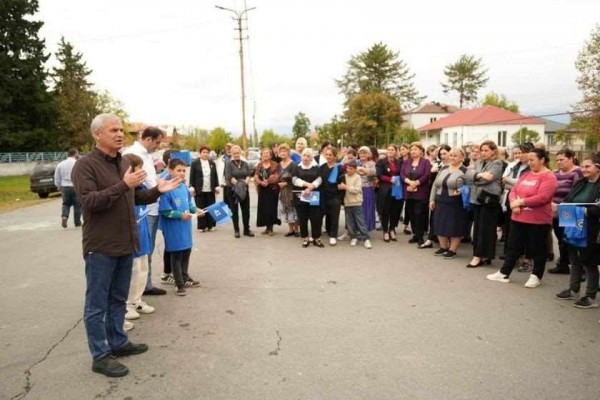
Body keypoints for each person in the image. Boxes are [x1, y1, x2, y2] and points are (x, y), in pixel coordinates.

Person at [72, 113, 181, 378]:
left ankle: (118, 342)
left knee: (119, 298)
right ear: (97, 134)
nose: (120, 134)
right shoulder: (85, 166)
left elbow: (135, 197)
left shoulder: (123, 163)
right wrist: (123, 185)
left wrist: (158, 190)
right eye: (113, 130)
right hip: (101, 246)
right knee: (97, 304)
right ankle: (100, 355)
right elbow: (90, 202)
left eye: (121, 130)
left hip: (125, 242)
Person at [487, 148, 558, 288]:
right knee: (513, 247)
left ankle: (536, 276)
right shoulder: (526, 175)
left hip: (537, 220)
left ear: (542, 160)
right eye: (529, 160)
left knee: (537, 249)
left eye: (533, 160)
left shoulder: (549, 177)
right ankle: (504, 273)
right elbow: (514, 190)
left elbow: (543, 197)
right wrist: (514, 203)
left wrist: (522, 202)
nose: (530, 163)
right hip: (518, 217)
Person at [122, 126, 166, 296]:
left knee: (148, 248)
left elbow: (150, 180)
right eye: (157, 142)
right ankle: (136, 292)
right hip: (142, 209)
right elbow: (139, 184)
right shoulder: (133, 154)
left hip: (152, 206)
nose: (158, 146)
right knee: (140, 253)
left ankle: (145, 285)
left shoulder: (148, 155)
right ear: (148, 139)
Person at [554, 154, 600, 308]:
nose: (583, 169)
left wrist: (586, 211)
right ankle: (573, 290)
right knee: (574, 259)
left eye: (588, 166)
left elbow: (596, 210)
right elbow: (568, 199)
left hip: (592, 229)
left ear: (598, 167)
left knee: (589, 262)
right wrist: (561, 207)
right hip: (573, 225)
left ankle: (590, 296)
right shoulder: (581, 182)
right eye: (583, 166)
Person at [158, 158, 202, 296]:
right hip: (173, 227)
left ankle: (185, 276)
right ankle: (179, 283)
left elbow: (189, 204)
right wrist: (180, 215)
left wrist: (196, 210)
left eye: (184, 170)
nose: (182, 173)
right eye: (178, 170)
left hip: (185, 227)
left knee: (186, 251)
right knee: (176, 254)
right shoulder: (166, 189)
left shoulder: (184, 187)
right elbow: (165, 211)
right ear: (170, 171)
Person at [121, 154, 155, 327]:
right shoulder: (126, 190)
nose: (142, 171)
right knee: (132, 272)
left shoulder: (140, 188)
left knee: (143, 269)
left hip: (143, 235)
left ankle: (137, 300)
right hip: (132, 238)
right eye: (139, 168)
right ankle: (127, 304)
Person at [464, 141, 504, 268]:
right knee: (478, 229)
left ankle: (481, 256)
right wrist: (479, 175)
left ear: (493, 151)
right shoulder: (479, 162)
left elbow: (488, 179)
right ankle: (479, 255)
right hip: (477, 199)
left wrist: (475, 177)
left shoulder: (497, 163)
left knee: (487, 229)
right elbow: (467, 176)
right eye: (482, 150)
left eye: (486, 150)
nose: (483, 153)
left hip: (489, 199)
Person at [429, 148, 469, 259]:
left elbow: (471, 186)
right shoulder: (444, 168)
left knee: (454, 226)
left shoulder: (465, 170)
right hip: (440, 200)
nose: (452, 157)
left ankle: (452, 250)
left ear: (462, 157)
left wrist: (462, 189)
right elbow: (435, 185)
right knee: (439, 223)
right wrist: (432, 200)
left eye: (455, 155)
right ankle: (443, 247)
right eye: (451, 155)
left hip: (455, 202)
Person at [549, 149, 583, 274]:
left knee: (570, 238)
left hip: (568, 209)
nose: (558, 162)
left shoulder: (577, 172)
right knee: (560, 238)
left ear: (571, 158)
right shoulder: (555, 173)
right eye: (557, 160)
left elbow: (576, 193)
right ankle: (563, 264)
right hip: (554, 209)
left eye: (562, 159)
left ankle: (579, 268)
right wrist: (551, 204)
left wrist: (560, 205)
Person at [401, 142, 432, 248]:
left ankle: (420, 236)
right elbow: (402, 174)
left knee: (419, 214)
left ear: (421, 151)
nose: (413, 151)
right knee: (411, 214)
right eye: (412, 149)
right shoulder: (406, 162)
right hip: (409, 191)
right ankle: (415, 234)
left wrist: (416, 183)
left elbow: (427, 175)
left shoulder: (426, 162)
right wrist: (409, 183)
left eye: (415, 149)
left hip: (421, 191)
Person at [292, 148, 324, 247]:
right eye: (304, 155)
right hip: (300, 196)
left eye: (308, 156)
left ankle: (316, 238)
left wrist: (311, 187)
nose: (306, 158)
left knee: (315, 218)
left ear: (311, 158)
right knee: (302, 218)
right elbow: (294, 180)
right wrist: (307, 185)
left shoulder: (316, 168)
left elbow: (320, 179)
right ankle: (305, 238)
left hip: (313, 195)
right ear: (301, 157)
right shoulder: (296, 168)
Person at [339, 161, 372, 249]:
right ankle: (353, 237)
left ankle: (366, 239)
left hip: (356, 202)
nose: (348, 170)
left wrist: (346, 187)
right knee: (350, 222)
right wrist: (339, 187)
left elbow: (357, 189)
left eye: (351, 169)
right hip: (347, 202)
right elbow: (340, 187)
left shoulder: (357, 177)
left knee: (360, 221)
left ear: (355, 169)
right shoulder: (343, 177)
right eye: (347, 168)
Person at [224, 145, 254, 238]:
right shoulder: (229, 164)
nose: (236, 155)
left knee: (246, 210)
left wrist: (245, 183)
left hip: (244, 189)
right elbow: (229, 177)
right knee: (234, 210)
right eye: (234, 153)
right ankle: (236, 230)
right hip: (233, 190)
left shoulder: (245, 163)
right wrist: (239, 185)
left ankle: (246, 229)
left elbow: (248, 174)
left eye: (238, 153)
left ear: (240, 153)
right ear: (231, 154)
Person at [376, 144, 403, 242]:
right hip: (386, 189)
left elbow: (402, 174)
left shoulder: (400, 162)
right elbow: (379, 175)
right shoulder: (381, 162)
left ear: (396, 151)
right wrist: (390, 179)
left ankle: (392, 229)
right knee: (385, 211)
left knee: (395, 211)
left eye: (392, 150)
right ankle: (385, 231)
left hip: (397, 189)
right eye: (389, 149)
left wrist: (397, 179)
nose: (390, 151)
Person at [189, 145, 220, 232]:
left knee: (211, 207)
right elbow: (192, 176)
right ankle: (202, 226)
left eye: (207, 152)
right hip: (199, 189)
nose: (205, 154)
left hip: (210, 189)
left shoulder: (212, 163)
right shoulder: (195, 163)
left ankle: (211, 225)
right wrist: (191, 186)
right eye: (204, 152)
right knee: (201, 208)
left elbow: (215, 176)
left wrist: (217, 186)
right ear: (200, 153)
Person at [320, 146, 344, 246]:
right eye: (327, 155)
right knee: (322, 214)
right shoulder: (322, 167)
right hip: (323, 195)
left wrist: (340, 196)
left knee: (334, 216)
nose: (328, 156)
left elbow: (342, 182)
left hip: (335, 196)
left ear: (335, 156)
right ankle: (326, 230)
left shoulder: (339, 168)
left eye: (330, 155)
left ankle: (333, 236)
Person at [254, 148, 281, 235]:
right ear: (261, 155)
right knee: (263, 209)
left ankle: (271, 228)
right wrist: (261, 182)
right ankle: (266, 227)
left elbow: (277, 176)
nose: (265, 155)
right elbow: (256, 176)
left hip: (272, 189)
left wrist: (268, 182)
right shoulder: (259, 165)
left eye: (267, 153)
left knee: (271, 208)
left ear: (270, 155)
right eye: (264, 153)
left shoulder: (275, 164)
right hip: (262, 189)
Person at [53, 148, 81, 228]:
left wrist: (58, 186)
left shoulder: (61, 164)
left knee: (66, 204)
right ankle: (77, 222)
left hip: (65, 187)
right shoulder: (78, 163)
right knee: (77, 205)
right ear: (76, 154)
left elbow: (57, 176)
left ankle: (64, 217)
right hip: (75, 186)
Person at [277, 144, 299, 237]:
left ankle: (296, 230)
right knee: (286, 209)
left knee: (293, 210)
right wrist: (278, 183)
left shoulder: (293, 164)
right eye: (281, 151)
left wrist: (286, 183)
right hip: (282, 191)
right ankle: (290, 230)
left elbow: (295, 178)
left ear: (288, 152)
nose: (283, 153)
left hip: (291, 190)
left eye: (284, 151)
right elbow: (277, 177)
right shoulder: (279, 165)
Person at [357, 146, 377, 232]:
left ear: (369, 154)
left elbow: (372, 173)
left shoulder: (372, 163)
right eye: (361, 152)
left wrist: (362, 169)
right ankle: (357, 229)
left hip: (367, 189)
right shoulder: (356, 162)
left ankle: (365, 230)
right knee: (357, 211)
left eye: (364, 152)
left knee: (366, 210)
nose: (362, 154)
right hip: (356, 189)